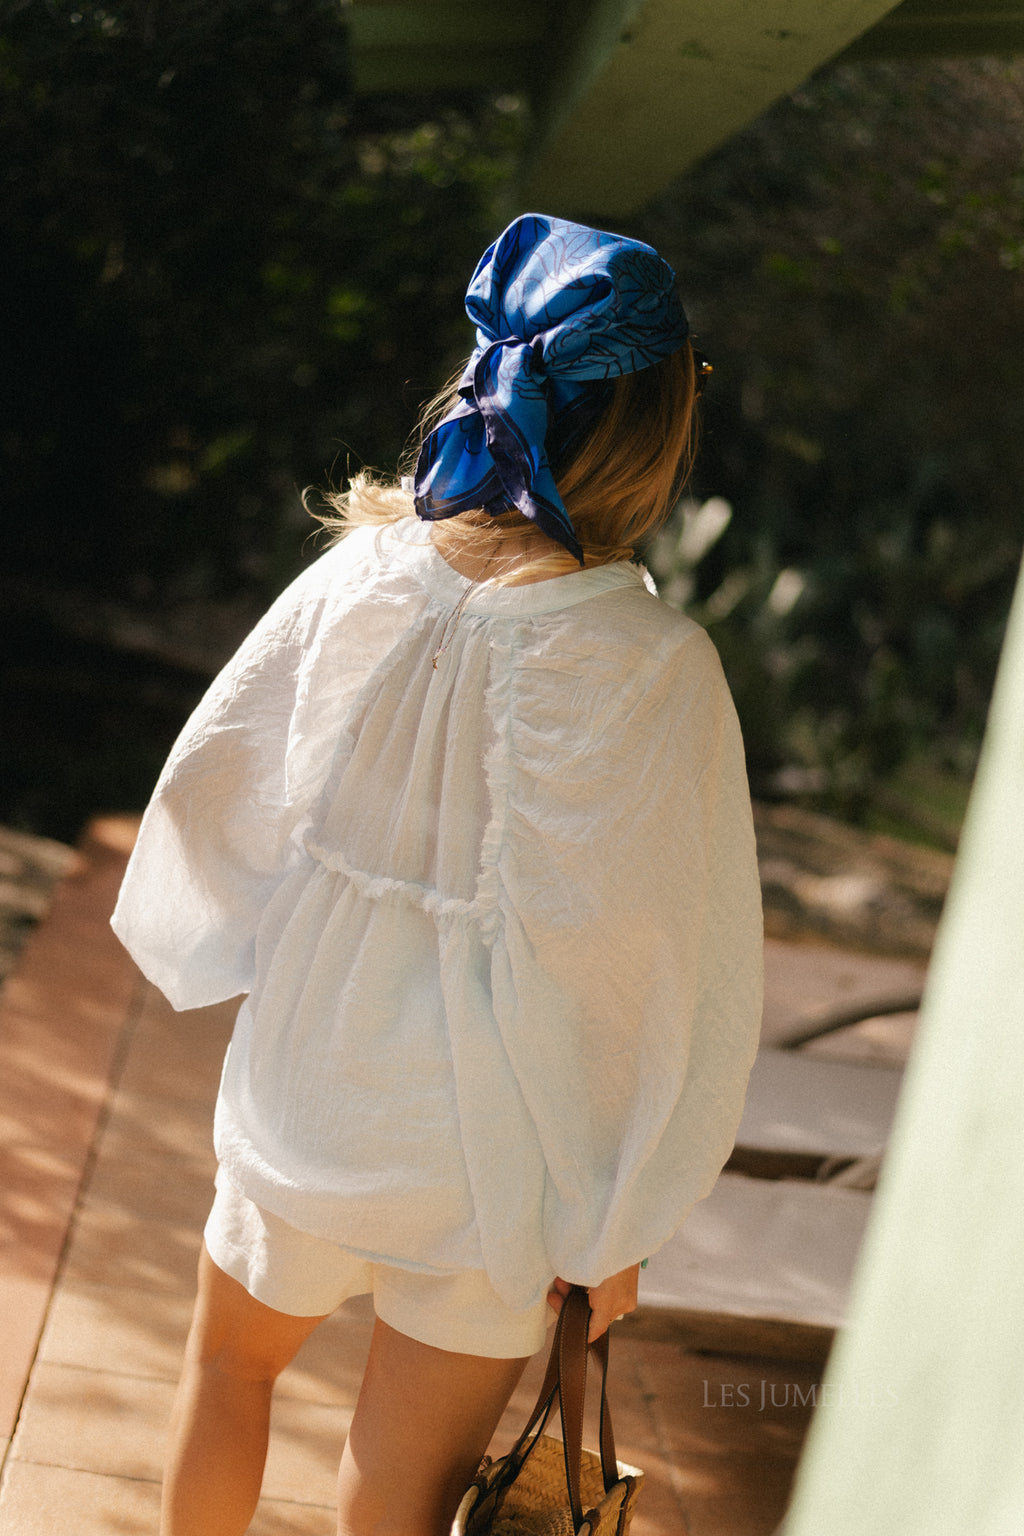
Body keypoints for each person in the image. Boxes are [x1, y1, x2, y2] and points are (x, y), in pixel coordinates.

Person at [112, 212, 763, 1536]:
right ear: (652, 429)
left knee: (225, 1378)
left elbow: (216, 783)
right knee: (397, 1492)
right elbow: (652, 965)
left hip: (311, 1082)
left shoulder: (361, 574)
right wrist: (615, 1212)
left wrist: (225, 939)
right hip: (486, 1152)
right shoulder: (655, 671)